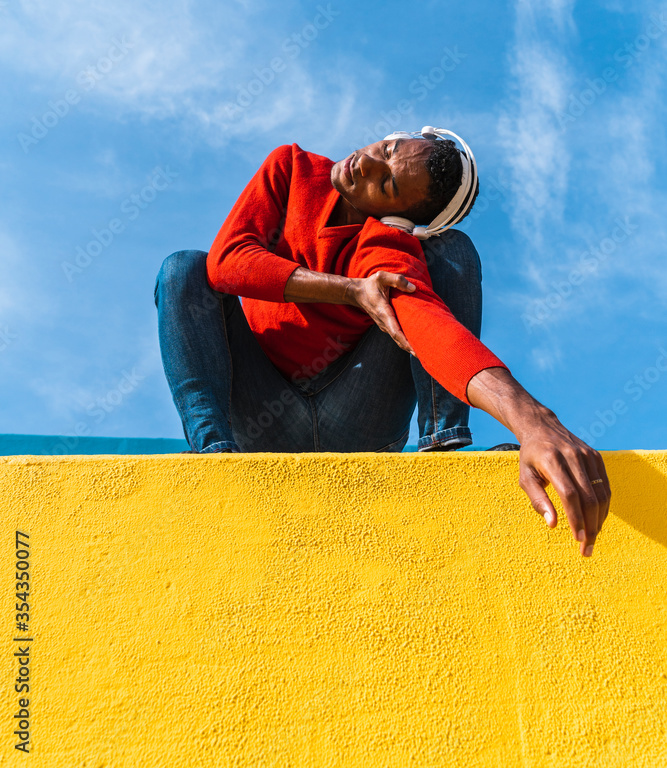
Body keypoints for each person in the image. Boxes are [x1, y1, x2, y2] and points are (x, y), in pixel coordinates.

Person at [154, 127, 611, 557]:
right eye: (389, 149)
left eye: (387, 186)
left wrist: (531, 420)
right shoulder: (292, 169)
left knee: (452, 252)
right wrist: (351, 290)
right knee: (185, 270)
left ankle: (443, 448)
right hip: (258, 413)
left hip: (355, 417)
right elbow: (228, 262)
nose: (369, 163)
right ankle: (212, 457)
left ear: (393, 216)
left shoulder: (385, 244)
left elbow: (430, 327)